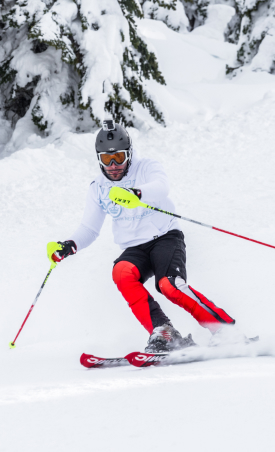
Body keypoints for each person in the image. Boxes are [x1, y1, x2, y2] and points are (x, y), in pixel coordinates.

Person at [49, 120, 236, 353]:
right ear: (99, 159)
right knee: (121, 272)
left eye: (119, 157)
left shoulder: (146, 167)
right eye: (107, 159)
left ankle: (225, 330)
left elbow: (161, 187)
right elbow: (90, 228)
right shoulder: (97, 187)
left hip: (165, 236)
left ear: (129, 153)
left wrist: (137, 193)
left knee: (168, 285)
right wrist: (70, 245)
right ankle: (164, 332)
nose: (114, 165)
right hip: (135, 247)